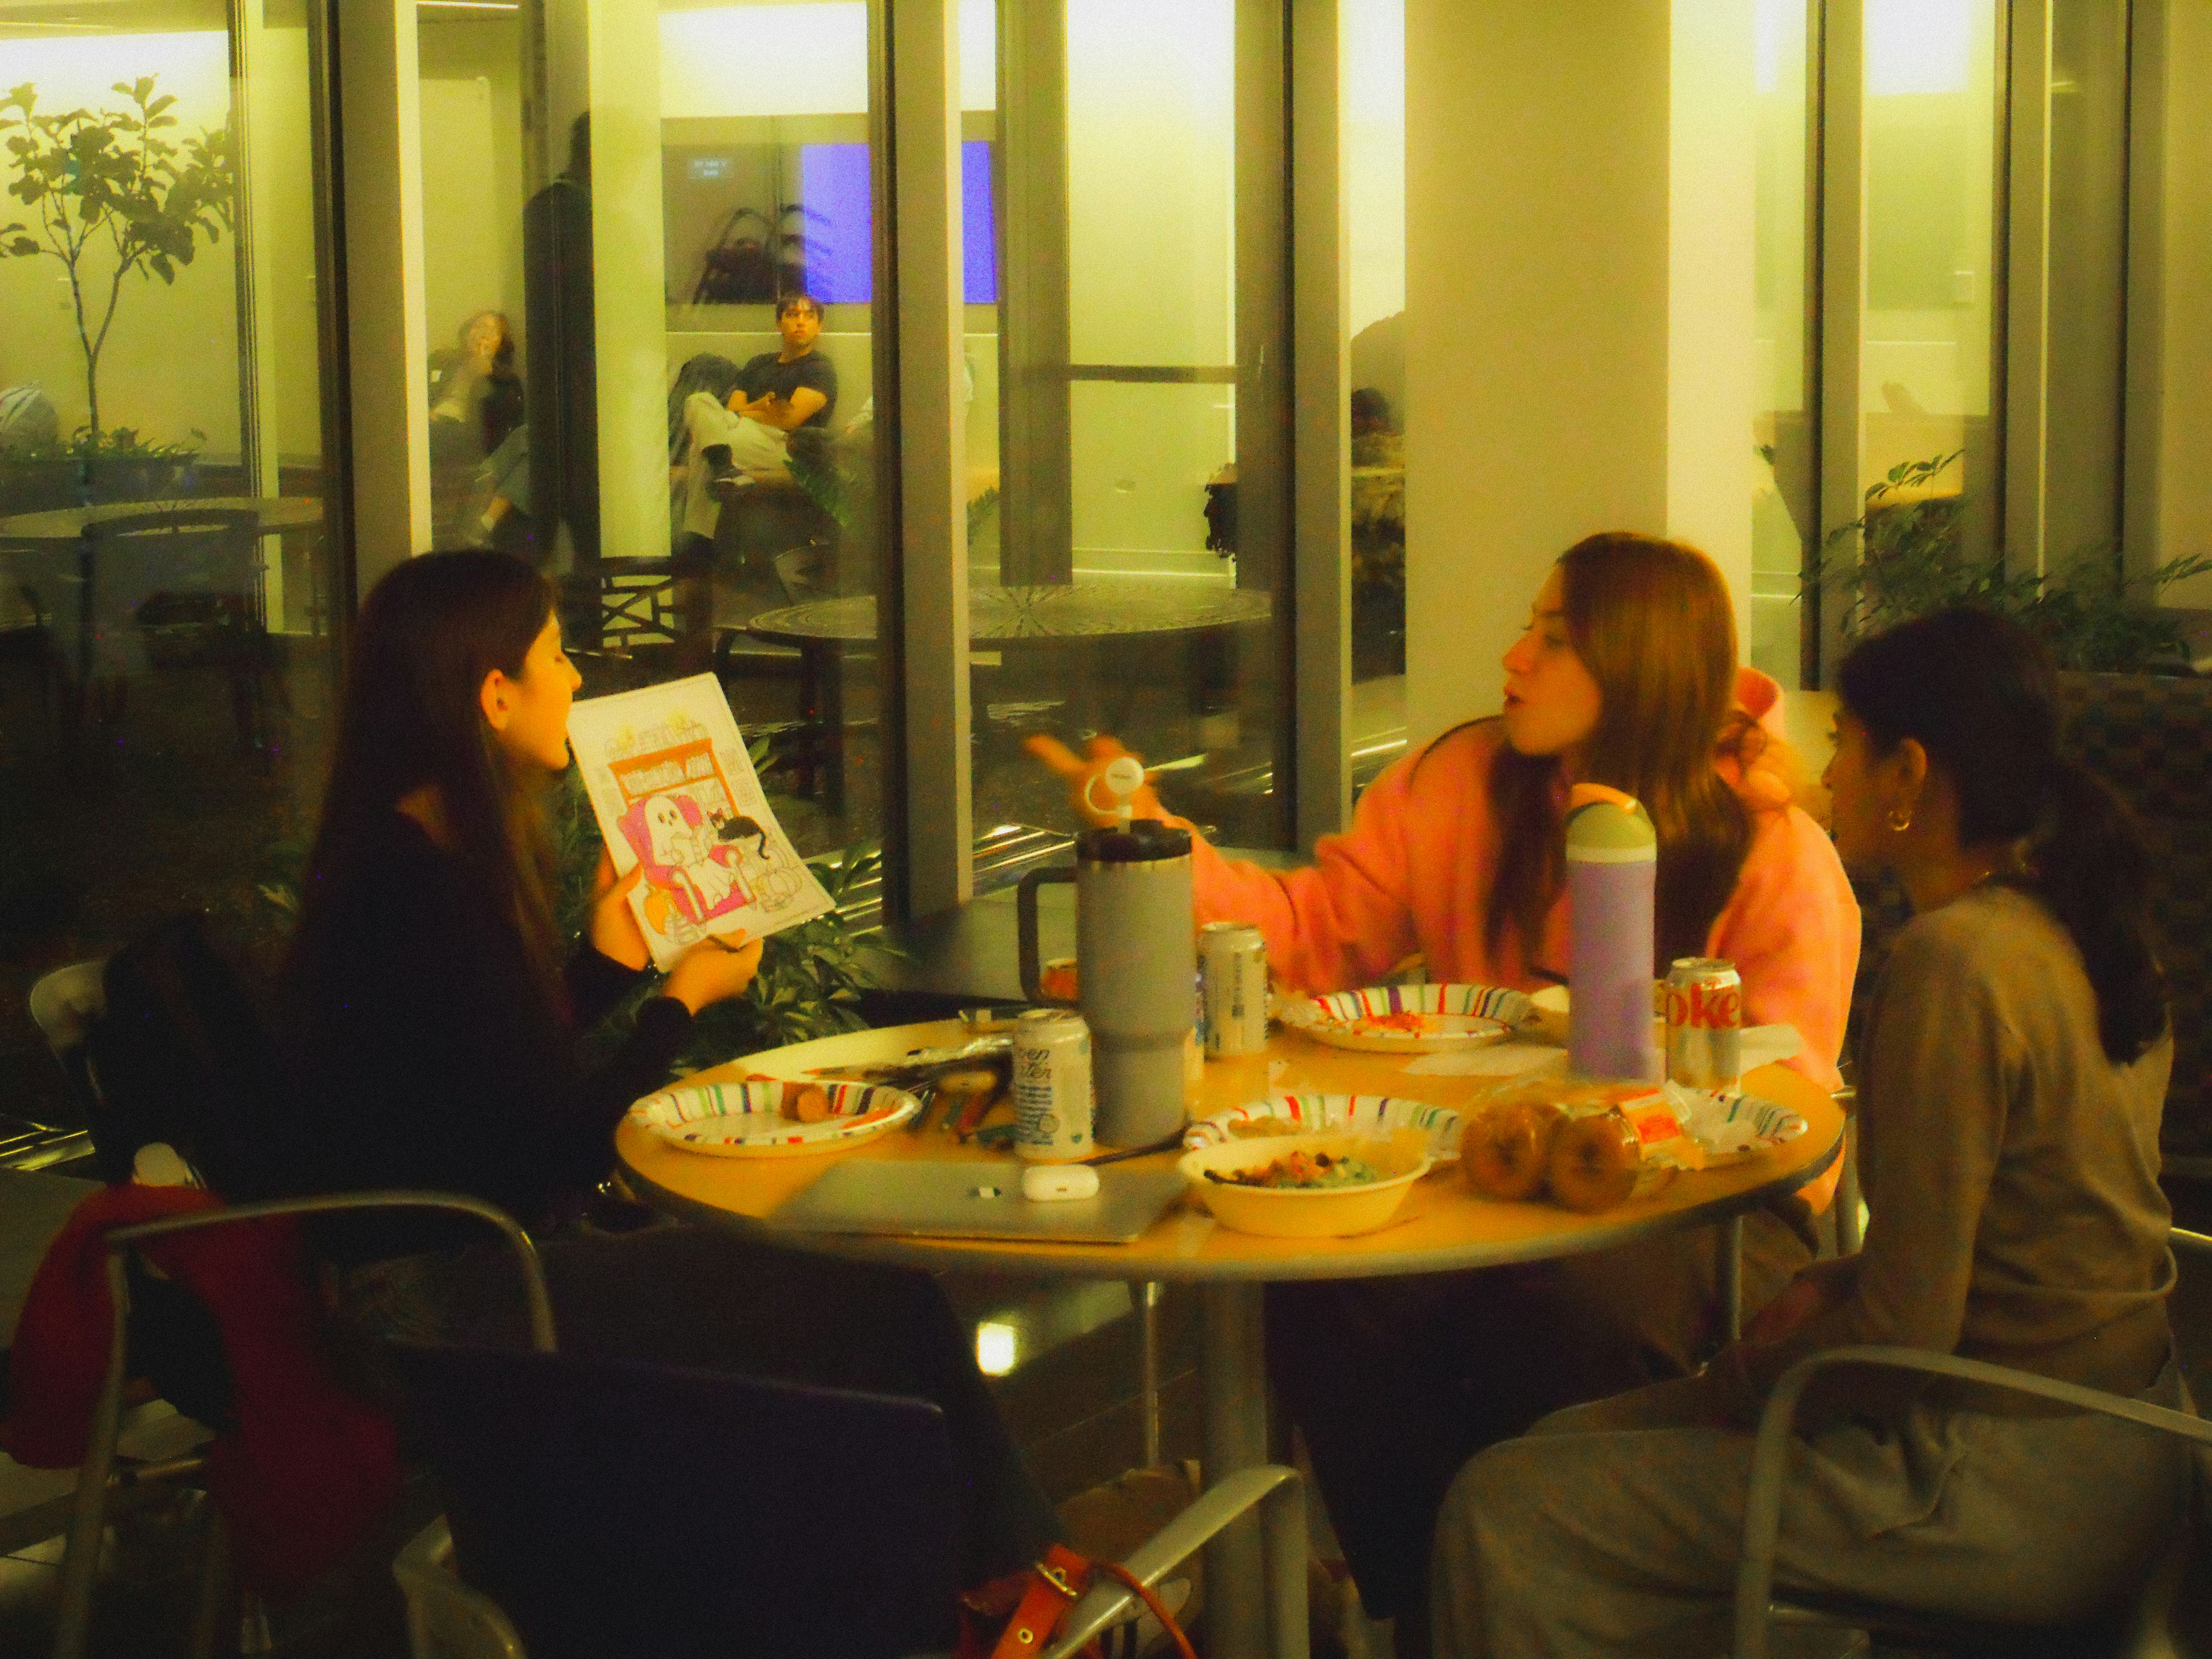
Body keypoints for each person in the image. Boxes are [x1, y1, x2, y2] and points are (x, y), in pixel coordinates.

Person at [1029, 532, 1860, 1647]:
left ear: (1639, 662)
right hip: (1488, 1178)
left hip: (1711, 1207)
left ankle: (1576, 1600)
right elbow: (1315, 933)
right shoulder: (1464, 781)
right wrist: (1155, 839)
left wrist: (1621, 1096)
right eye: (1527, 627)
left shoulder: (1772, 849)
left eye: (1552, 639)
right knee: (1324, 1277)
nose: (1512, 659)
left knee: (1575, 1308)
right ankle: (1435, 1601)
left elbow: (1786, 1101)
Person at [274, 550, 1061, 1584]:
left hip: (440, 1274)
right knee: (871, 1297)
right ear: (494, 692)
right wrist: (683, 999)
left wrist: (611, 964)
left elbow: (485, 1077)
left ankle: (952, 1577)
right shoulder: (422, 892)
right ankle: (1009, 1583)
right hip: (452, 1299)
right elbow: (553, 1143)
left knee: (839, 1294)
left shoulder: (394, 862)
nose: (577, 681)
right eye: (556, 655)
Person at [1430, 606, 2183, 1658]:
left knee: (1505, 1505)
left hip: (1999, 1478)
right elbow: (2021, 1234)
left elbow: (1907, 1332)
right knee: (1561, 1447)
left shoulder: (1955, 966)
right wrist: (1833, 1293)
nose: (1822, 776)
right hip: (2129, 1446)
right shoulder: (2082, 929)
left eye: (1843, 745)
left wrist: (1731, 1384)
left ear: (1907, 772)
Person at [672, 293, 839, 540]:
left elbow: (788, 420)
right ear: (779, 324)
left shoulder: (818, 368)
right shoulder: (759, 363)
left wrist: (750, 410)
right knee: (698, 401)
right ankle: (724, 469)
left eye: (809, 316)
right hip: (738, 430)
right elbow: (733, 409)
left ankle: (699, 540)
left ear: (819, 328)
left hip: (783, 444)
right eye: (792, 315)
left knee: (702, 449)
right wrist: (763, 407)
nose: (800, 322)